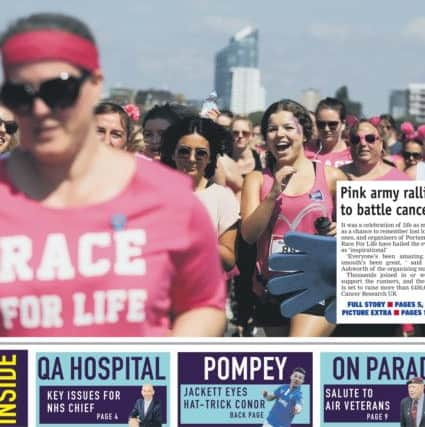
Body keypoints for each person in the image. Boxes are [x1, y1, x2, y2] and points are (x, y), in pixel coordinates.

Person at [0, 12, 226, 337]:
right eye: (21, 94)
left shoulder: (169, 198)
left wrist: (164, 364)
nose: (39, 109)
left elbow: (203, 303)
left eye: (58, 91)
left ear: (94, 86)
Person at [240, 99, 347, 337]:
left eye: (288, 128)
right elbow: (249, 235)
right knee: (288, 369)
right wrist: (273, 195)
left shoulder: (330, 176)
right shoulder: (256, 180)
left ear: (304, 133)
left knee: (296, 353)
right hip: (270, 289)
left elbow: (363, 231)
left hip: (318, 286)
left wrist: (344, 230)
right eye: (272, 129)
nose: (280, 134)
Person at [161, 117, 239, 272]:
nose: (191, 159)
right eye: (184, 151)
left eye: (201, 153)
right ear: (172, 154)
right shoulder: (156, 194)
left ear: (210, 158)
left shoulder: (222, 197)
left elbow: (229, 261)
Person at [305, 97, 352, 168]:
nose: (326, 129)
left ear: (343, 124)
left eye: (332, 124)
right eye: (321, 124)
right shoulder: (306, 156)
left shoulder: (354, 156)